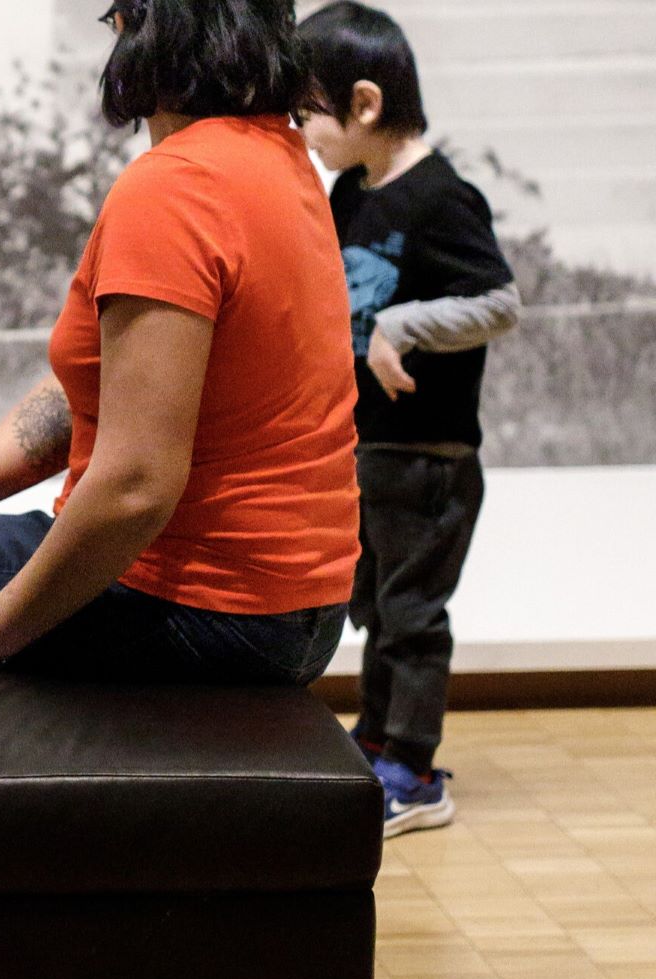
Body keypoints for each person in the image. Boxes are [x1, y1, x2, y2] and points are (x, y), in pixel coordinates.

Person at [0, 0, 358, 686]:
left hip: (203, 606)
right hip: (296, 610)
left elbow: (136, 487)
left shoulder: (175, 188)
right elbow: (105, 392)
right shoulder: (277, 160)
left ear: (144, 30)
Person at [299, 1, 520, 837]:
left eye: (308, 112)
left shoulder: (442, 196)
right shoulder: (352, 193)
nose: (303, 132)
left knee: (413, 614)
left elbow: (500, 300)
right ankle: (381, 736)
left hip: (429, 457)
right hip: (370, 451)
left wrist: (404, 325)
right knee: (376, 607)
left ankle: (415, 770)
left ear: (363, 104)